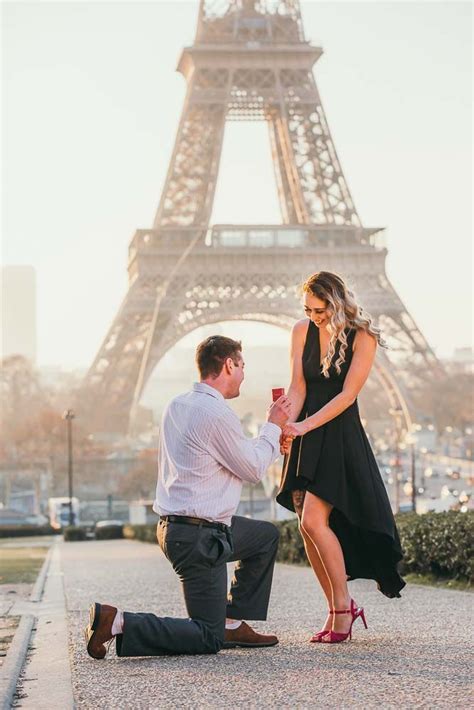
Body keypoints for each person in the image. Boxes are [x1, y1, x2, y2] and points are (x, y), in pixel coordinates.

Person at [85, 335, 291, 659]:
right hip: (200, 537)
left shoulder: (177, 405)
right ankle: (118, 622)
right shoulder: (216, 413)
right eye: (242, 366)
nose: (244, 375)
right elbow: (251, 469)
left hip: (180, 528)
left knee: (264, 537)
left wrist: (271, 442)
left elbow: (229, 454)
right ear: (228, 364)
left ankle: (233, 622)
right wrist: (273, 426)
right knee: (207, 637)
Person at [277, 271, 405, 644]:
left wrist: (305, 426)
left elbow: (348, 395)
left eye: (319, 310)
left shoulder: (363, 336)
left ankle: (343, 609)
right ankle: (338, 608)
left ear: (336, 302)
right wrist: (286, 425)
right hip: (308, 434)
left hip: (338, 436)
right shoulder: (302, 331)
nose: (313, 316)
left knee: (315, 521)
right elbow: (298, 388)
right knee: (305, 525)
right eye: (308, 309)